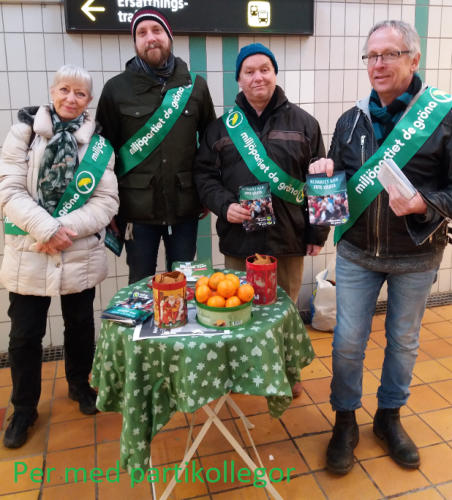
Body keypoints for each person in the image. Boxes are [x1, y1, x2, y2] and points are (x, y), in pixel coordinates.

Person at [310, 20, 452, 474]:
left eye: (389, 54)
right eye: (371, 56)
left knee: (403, 343)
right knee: (348, 342)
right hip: (357, 252)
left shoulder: (443, 116)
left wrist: (423, 203)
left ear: (414, 59)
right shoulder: (350, 120)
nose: (378, 64)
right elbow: (338, 184)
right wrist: (326, 174)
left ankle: (389, 417)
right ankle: (345, 420)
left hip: (417, 254)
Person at [194, 43, 329, 397]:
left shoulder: (305, 124)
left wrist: (318, 232)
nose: (258, 77)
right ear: (238, 79)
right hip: (240, 239)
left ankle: (288, 372)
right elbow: (204, 176)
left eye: (264, 69)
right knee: (237, 309)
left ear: (275, 73)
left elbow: (320, 182)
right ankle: (243, 374)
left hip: (289, 238)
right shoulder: (220, 129)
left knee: (285, 311)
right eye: (249, 71)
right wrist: (224, 205)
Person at [0, 65, 119, 448]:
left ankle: (80, 385)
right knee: (24, 335)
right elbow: (9, 190)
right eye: (64, 90)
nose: (71, 98)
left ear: (89, 100)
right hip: (29, 251)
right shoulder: (23, 133)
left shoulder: (98, 145)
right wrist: (46, 229)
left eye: (80, 93)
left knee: (80, 325)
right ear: (52, 92)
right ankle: (23, 408)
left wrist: (63, 229)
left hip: (78, 250)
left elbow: (106, 201)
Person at [96, 7, 215, 284]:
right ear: (135, 42)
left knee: (183, 284)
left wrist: (206, 191)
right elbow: (101, 153)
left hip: (185, 207)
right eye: (142, 33)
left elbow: (210, 145)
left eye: (156, 30)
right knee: (140, 286)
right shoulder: (115, 89)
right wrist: (107, 206)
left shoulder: (196, 86)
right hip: (135, 211)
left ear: (169, 36)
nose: (150, 38)